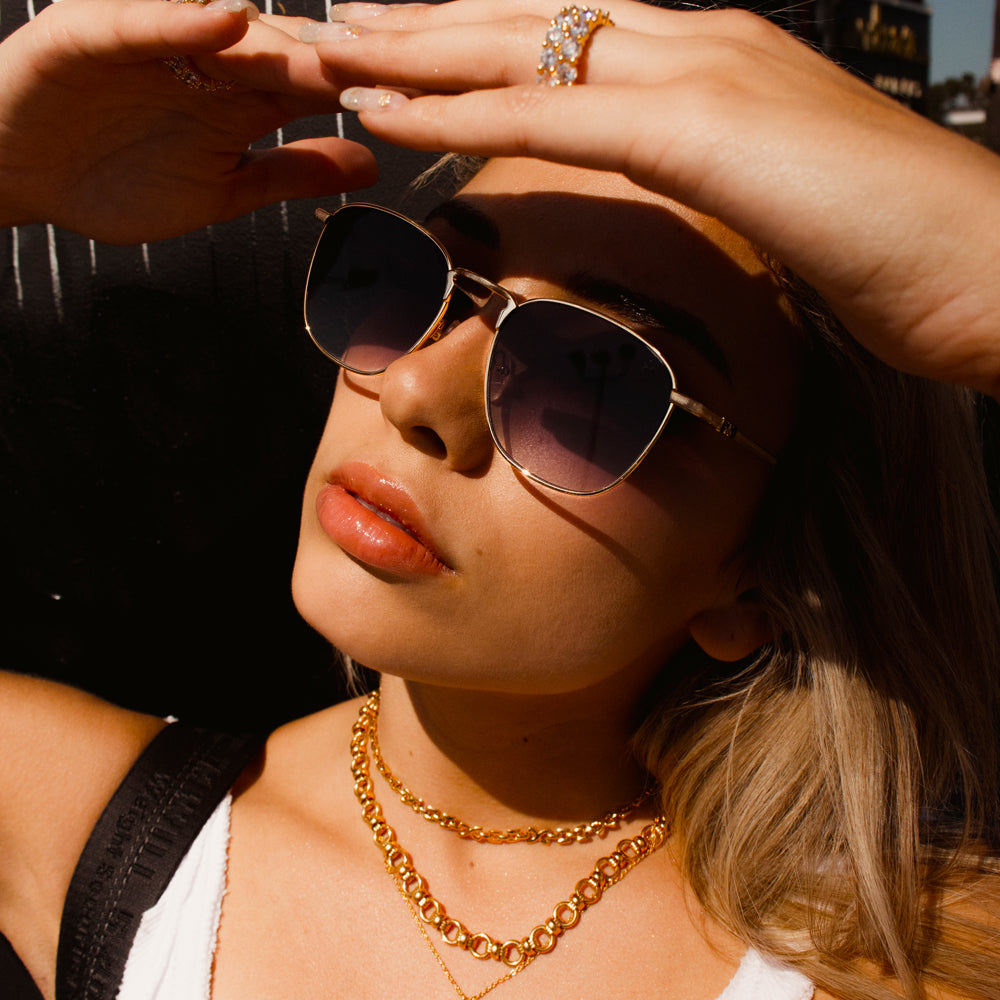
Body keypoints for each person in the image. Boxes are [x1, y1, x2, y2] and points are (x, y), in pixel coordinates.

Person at [1, 1, 999, 998]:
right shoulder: (92, 831)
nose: (412, 389)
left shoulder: (906, 958)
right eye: (407, 283)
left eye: (592, 377)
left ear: (762, 573)